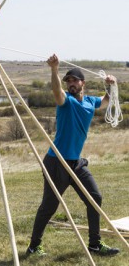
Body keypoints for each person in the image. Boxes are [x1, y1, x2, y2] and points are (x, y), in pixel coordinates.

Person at [26, 54, 120, 257]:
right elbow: (56, 92)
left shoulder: (89, 101)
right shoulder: (66, 101)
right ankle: (34, 246)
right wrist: (54, 70)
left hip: (76, 163)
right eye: (68, 81)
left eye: (74, 81)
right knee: (49, 207)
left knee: (94, 198)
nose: (70, 84)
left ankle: (95, 244)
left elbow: (104, 103)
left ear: (82, 83)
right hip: (56, 162)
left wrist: (111, 86)